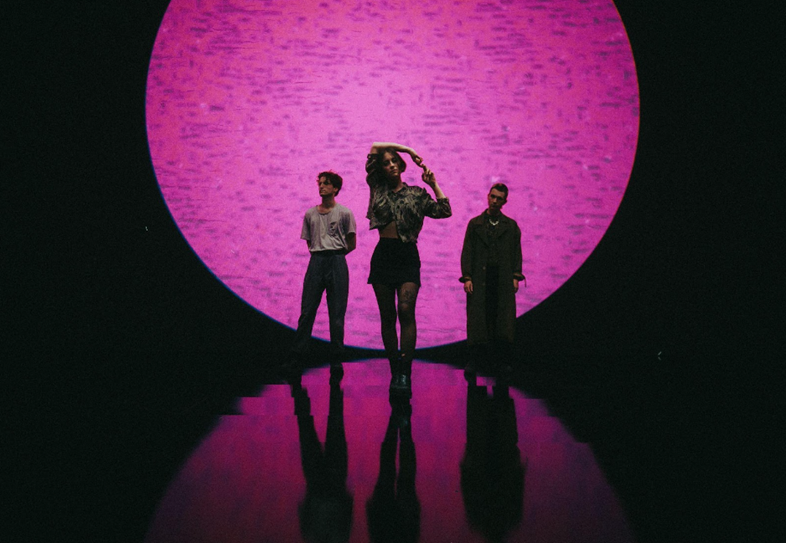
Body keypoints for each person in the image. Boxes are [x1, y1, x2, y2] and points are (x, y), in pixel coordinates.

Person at [365, 142, 452, 394]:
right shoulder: (377, 187)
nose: (391, 165)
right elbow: (375, 146)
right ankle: (395, 369)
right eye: (386, 163)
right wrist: (408, 150)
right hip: (383, 255)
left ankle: (405, 370)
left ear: (401, 166)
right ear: (381, 168)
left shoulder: (416, 193)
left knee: (405, 309)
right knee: (387, 316)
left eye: (395, 161)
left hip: (407, 256)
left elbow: (444, 210)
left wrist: (433, 184)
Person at [290, 171, 356, 378]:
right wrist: (321, 253)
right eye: (320, 183)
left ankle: (336, 359)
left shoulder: (345, 213)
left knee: (337, 314)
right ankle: (297, 358)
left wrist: (335, 254)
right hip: (317, 261)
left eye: (326, 184)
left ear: (335, 188)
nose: (321, 186)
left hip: (336, 260)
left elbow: (351, 243)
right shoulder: (310, 214)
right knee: (307, 311)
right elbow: (309, 241)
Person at [460, 183, 526, 371]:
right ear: (488, 196)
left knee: (502, 319)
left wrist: (515, 276)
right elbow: (467, 251)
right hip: (480, 277)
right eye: (493, 197)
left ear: (504, 202)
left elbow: (516, 252)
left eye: (499, 199)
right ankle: (475, 361)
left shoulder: (510, 226)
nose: (495, 201)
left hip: (502, 278)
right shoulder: (475, 224)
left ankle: (502, 361)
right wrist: (467, 277)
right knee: (478, 319)